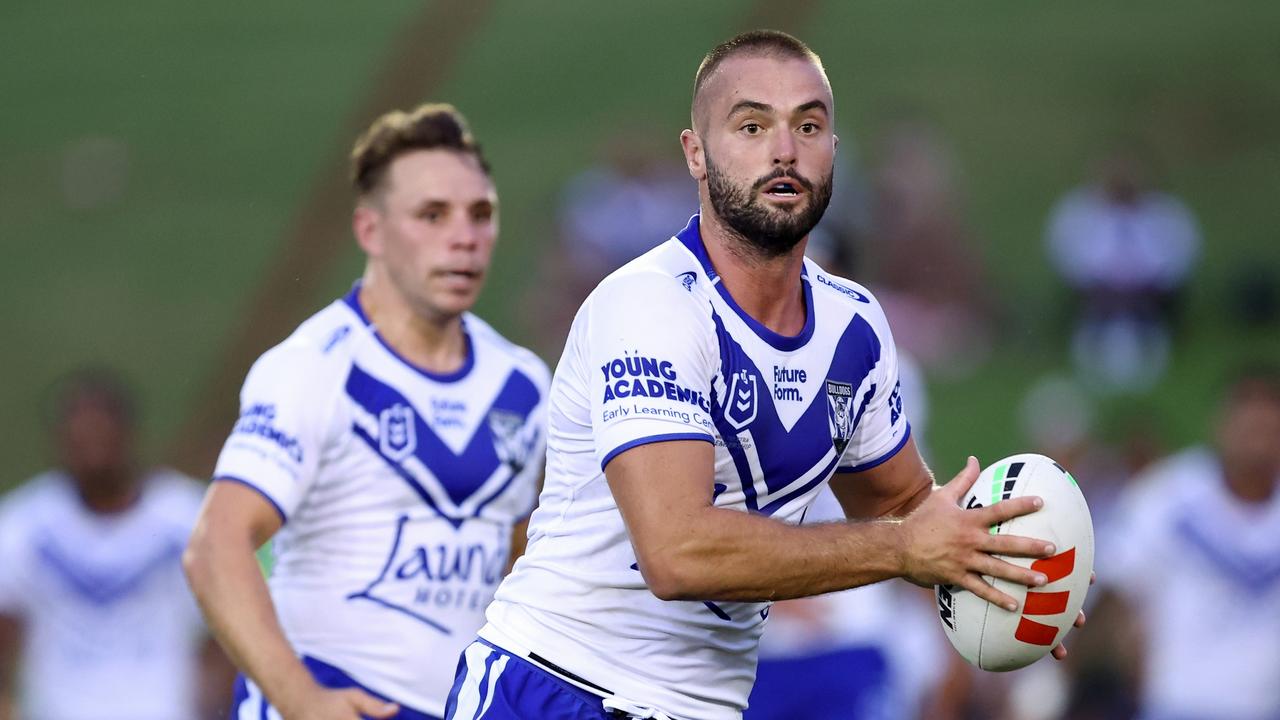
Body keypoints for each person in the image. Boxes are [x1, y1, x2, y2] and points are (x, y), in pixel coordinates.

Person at [446, 31, 1080, 720]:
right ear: (695, 153)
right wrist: (903, 549)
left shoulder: (856, 328)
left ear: (833, 152)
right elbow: (678, 552)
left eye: (808, 125)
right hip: (557, 689)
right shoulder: (650, 304)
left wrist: (1017, 571)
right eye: (752, 125)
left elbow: (901, 506)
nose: (785, 149)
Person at [183, 104, 550, 720]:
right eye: (432, 215)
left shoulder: (522, 380)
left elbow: (519, 561)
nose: (464, 236)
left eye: (480, 214)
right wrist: (301, 699)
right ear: (370, 231)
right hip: (337, 696)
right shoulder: (312, 366)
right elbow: (215, 547)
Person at [0, 368, 229, 720]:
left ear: (127, 434)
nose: (92, 448)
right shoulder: (23, 526)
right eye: (80, 438)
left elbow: (229, 629)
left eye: (101, 434)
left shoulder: (190, 517)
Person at [1078, 366, 1280, 720]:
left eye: (1267, 429)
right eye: (1248, 427)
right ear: (1221, 425)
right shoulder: (1169, 495)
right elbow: (1114, 588)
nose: (1257, 441)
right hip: (1177, 703)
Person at [1044, 145, 1201, 392]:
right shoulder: (1075, 212)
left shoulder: (1168, 213)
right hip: (1098, 295)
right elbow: (1066, 260)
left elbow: (1180, 260)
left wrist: (1145, 284)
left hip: (1151, 294)